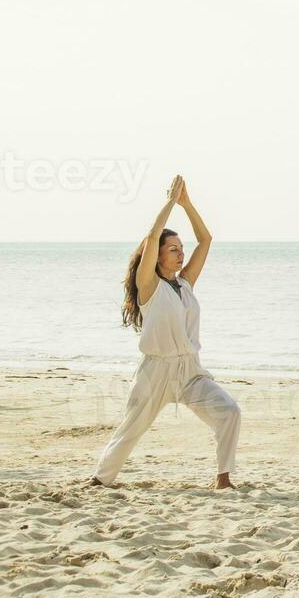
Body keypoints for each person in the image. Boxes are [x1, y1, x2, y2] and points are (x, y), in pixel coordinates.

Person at [91, 176, 242, 489]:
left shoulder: (184, 284)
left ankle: (223, 479)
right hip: (156, 371)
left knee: (229, 411)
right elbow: (152, 235)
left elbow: (206, 240)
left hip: (190, 370)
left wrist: (187, 205)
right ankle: (100, 480)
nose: (180, 254)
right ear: (156, 255)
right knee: (131, 429)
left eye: (180, 249)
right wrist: (170, 202)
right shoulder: (149, 286)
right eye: (172, 249)